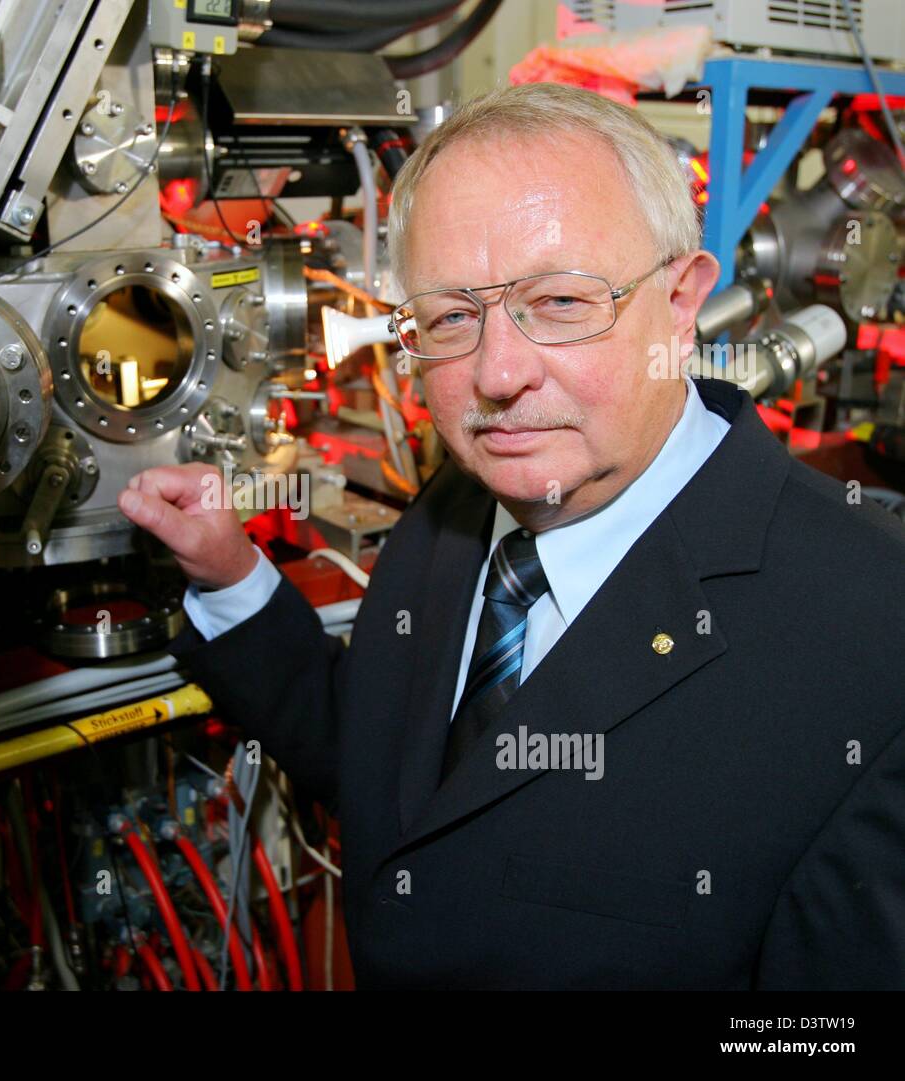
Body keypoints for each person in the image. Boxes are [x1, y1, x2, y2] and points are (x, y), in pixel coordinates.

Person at [116, 82, 905, 989]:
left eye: (562, 302)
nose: (496, 373)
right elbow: (405, 784)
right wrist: (233, 576)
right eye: (451, 317)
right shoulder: (461, 510)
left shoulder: (874, 643)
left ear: (682, 302)